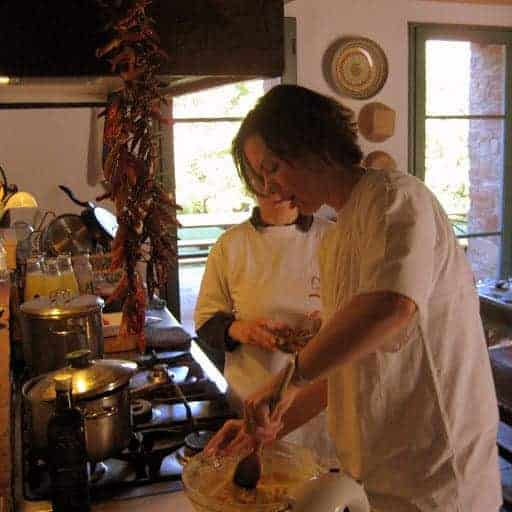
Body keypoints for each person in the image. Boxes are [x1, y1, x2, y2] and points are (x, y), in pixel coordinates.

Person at [204, 84, 502, 511]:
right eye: (261, 177)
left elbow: (391, 305)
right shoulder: (336, 237)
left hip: (439, 470)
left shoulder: (395, 197)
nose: (270, 188)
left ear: (312, 144)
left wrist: (286, 379)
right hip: (385, 470)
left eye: (273, 168)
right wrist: (267, 428)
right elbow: (345, 364)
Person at [194, 169, 335, 462]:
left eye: (284, 176)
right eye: (262, 178)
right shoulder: (230, 245)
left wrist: (324, 331)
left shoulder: (333, 239)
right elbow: (206, 322)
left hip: (321, 402)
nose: (276, 189)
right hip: (251, 396)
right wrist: (242, 330)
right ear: (250, 183)